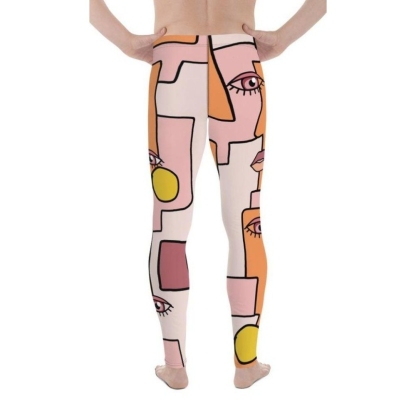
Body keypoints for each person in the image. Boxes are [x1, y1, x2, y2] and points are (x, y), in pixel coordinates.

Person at [89, 0, 326, 389]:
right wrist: (282, 38)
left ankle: (175, 366)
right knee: (245, 222)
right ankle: (246, 365)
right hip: (239, 63)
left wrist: (127, 42)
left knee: (169, 222)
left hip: (172, 61)